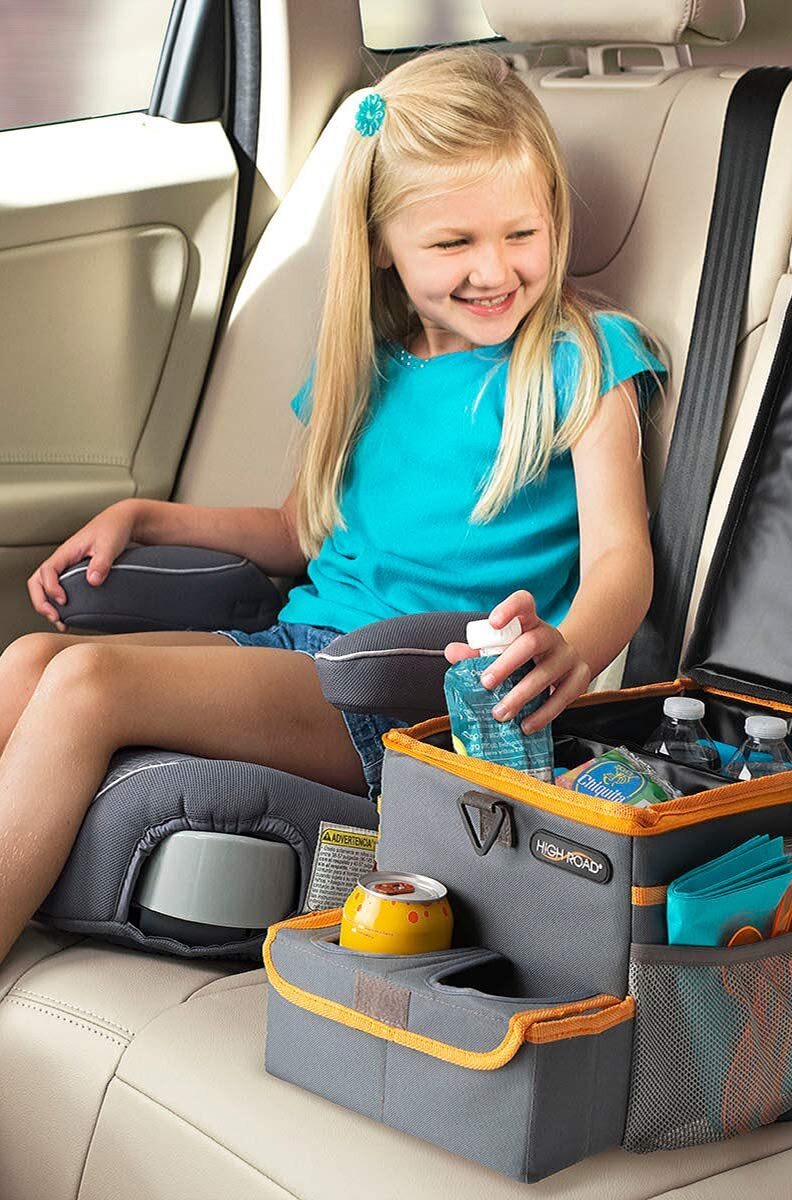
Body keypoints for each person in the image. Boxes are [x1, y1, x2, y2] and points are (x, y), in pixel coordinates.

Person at [0, 48, 665, 963]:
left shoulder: (583, 361)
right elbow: (298, 533)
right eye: (451, 243)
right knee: (31, 656)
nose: (494, 269)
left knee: (85, 683)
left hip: (409, 691)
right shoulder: (374, 371)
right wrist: (150, 515)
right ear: (383, 248)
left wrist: (576, 648)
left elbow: (623, 561)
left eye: (523, 232)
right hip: (302, 651)